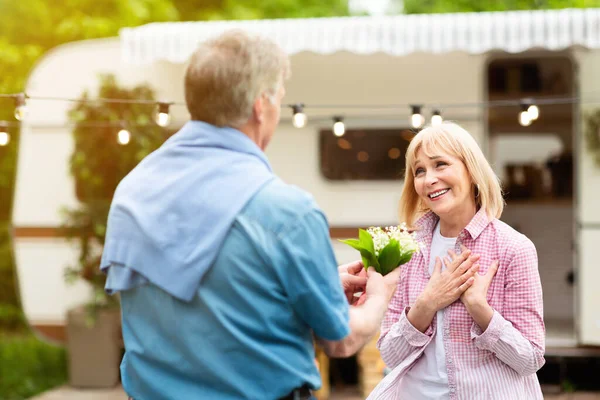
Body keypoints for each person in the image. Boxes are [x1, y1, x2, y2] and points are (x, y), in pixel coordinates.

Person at [99, 30, 400, 400]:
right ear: (261, 104)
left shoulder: (131, 193)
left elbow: (206, 299)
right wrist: (381, 294)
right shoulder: (287, 212)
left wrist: (316, 284)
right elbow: (340, 340)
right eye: (281, 99)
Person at [368, 122, 545, 399]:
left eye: (441, 164)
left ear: (471, 170)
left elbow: (530, 358)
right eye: (420, 171)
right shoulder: (407, 248)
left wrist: (480, 309)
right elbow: (390, 355)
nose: (429, 179)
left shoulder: (513, 248)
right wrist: (426, 304)